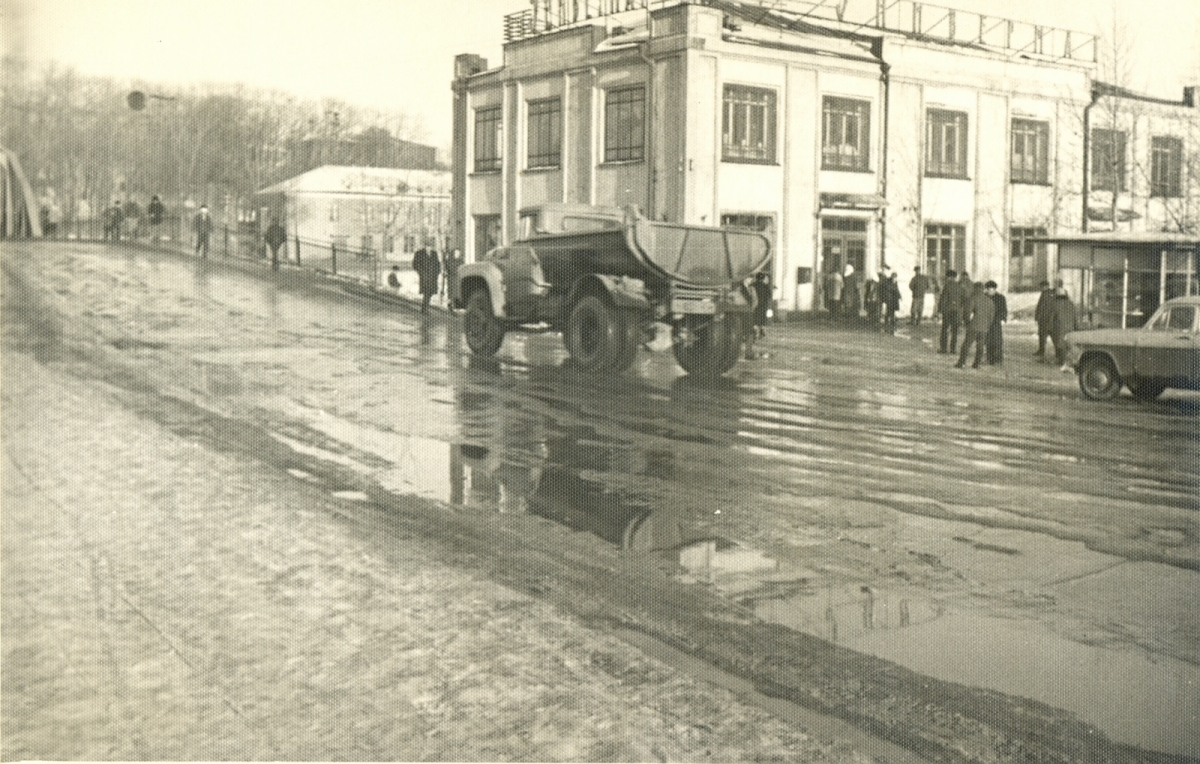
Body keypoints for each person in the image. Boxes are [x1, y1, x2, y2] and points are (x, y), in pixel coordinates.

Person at [955, 282, 995, 369]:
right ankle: (976, 364)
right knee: (980, 346)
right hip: (984, 327)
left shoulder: (973, 298)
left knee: (966, 344)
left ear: (975, 288)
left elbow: (967, 312)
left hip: (973, 326)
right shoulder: (989, 301)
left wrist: (967, 322)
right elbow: (991, 316)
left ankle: (961, 362)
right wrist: (987, 325)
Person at [1049, 282, 1079, 368]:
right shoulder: (1071, 304)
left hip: (1059, 327)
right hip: (1070, 327)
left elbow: (1052, 317)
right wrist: (1077, 327)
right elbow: (1075, 317)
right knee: (1068, 344)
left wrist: (1050, 328)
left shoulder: (1055, 304)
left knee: (1060, 344)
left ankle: (1062, 361)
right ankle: (1068, 361)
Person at [937, 269, 962, 353]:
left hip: (947, 311)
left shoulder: (947, 286)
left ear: (950, 277)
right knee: (954, 330)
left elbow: (943, 299)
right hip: (956, 311)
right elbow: (964, 299)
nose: (946, 278)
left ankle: (943, 349)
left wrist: (940, 310)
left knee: (945, 329)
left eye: (947, 277)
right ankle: (953, 349)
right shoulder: (960, 286)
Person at [412, 244, 441, 313]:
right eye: (427, 246)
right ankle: (425, 308)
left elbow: (437, 264)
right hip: (424, 277)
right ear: (425, 246)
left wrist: (437, 272)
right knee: (426, 292)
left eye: (430, 246)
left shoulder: (434, 253)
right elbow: (415, 264)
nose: (429, 248)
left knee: (430, 292)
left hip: (433, 277)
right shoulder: (419, 253)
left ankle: (424, 307)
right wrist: (420, 272)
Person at [984, 280, 1007, 365]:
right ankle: (990, 358)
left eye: (992, 289)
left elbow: (1004, 309)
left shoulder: (1000, 298)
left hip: (996, 321)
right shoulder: (984, 297)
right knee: (988, 340)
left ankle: (998, 358)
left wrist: (1003, 319)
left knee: (997, 340)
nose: (990, 291)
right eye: (988, 289)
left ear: (994, 289)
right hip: (986, 321)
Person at [1033, 279, 1054, 360]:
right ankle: (1041, 350)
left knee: (1044, 335)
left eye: (1042, 287)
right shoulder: (1045, 293)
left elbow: (1042, 307)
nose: (1041, 288)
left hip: (1045, 319)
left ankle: (1042, 351)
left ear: (1046, 286)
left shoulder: (1047, 294)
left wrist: (1038, 316)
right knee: (1042, 335)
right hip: (1044, 318)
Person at [880, 269, 901, 335]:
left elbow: (897, 289)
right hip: (889, 299)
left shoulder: (895, 282)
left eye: (895, 277)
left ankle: (892, 322)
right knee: (889, 311)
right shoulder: (888, 282)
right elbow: (889, 288)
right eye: (894, 277)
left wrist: (899, 296)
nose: (894, 278)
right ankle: (887, 322)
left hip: (894, 299)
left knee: (892, 311)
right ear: (891, 277)